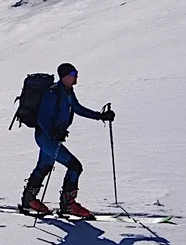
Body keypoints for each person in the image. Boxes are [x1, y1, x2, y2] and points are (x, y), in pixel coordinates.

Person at [19, 63, 115, 218]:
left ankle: (29, 200)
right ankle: (68, 205)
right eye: (73, 73)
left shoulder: (68, 92)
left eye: (76, 73)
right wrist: (53, 133)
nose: (76, 76)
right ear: (64, 76)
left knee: (44, 166)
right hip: (46, 138)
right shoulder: (53, 93)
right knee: (75, 166)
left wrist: (100, 116)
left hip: (50, 137)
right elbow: (42, 117)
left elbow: (77, 108)